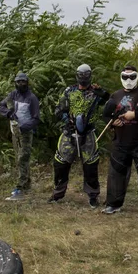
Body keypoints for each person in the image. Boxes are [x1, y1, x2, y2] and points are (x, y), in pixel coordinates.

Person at [101, 65, 138, 214]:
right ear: (121, 77)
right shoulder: (115, 96)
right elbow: (106, 115)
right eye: (126, 77)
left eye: (132, 77)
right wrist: (112, 122)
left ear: (137, 76)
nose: (129, 80)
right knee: (116, 174)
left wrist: (135, 115)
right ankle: (113, 204)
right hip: (120, 142)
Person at [49, 64, 110, 208]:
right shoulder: (69, 91)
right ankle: (58, 193)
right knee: (60, 163)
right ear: (77, 76)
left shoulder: (95, 93)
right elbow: (58, 109)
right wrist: (65, 118)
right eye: (81, 75)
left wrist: (102, 93)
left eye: (86, 75)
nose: (83, 78)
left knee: (91, 166)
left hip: (88, 134)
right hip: (69, 132)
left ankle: (93, 196)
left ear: (90, 76)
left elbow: (111, 101)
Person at [0, 72, 41, 201]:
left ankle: (20, 189)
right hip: (14, 132)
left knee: (23, 158)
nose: (21, 84)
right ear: (15, 83)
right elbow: (0, 106)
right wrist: (9, 114)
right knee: (20, 159)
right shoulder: (13, 95)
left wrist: (23, 128)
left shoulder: (32, 98)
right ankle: (27, 185)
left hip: (25, 133)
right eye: (19, 82)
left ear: (27, 83)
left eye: (23, 82)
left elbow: (36, 119)